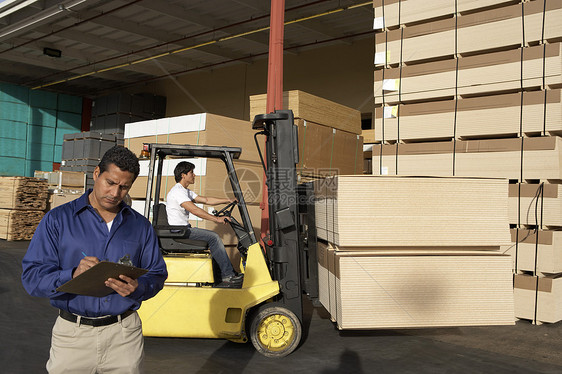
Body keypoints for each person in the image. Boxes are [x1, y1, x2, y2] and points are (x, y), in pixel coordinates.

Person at [22, 146, 167, 374]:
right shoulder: (57, 220)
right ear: (97, 173)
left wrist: (140, 287)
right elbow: (32, 277)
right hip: (72, 336)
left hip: (124, 336)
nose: (115, 193)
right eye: (110, 182)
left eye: (124, 187)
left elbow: (157, 274)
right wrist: (71, 275)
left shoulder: (141, 227)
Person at [166, 161, 243, 287]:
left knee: (212, 239)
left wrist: (227, 200)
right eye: (191, 172)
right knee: (214, 237)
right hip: (180, 231)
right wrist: (217, 219)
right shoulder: (177, 192)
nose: (194, 175)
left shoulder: (185, 191)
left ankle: (220, 276)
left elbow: (206, 200)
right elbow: (194, 209)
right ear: (183, 175)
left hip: (183, 230)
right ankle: (228, 276)